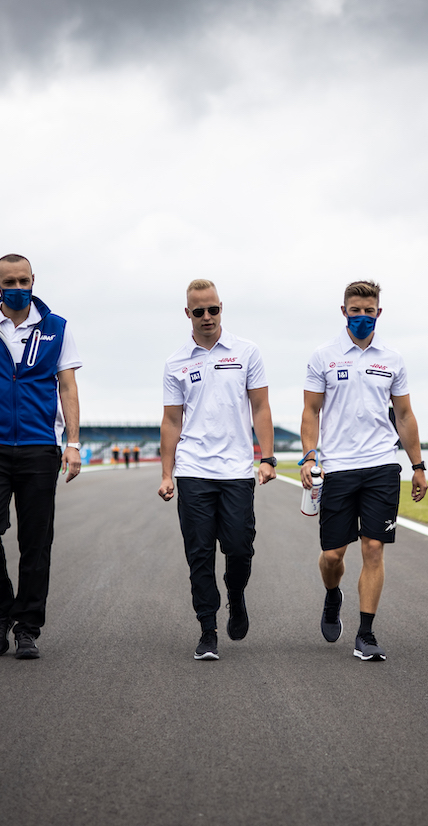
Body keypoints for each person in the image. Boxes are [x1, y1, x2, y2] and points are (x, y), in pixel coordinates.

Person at [0, 254, 82, 660]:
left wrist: (72, 443)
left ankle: (28, 626)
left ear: (34, 280)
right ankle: (0, 612)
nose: (18, 287)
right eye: (10, 281)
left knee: (36, 541)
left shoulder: (57, 327)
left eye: (24, 280)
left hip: (41, 447)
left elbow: (68, 388)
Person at [300, 280, 427, 662]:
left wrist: (417, 465)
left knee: (373, 548)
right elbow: (311, 412)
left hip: (381, 465)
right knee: (333, 555)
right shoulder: (323, 356)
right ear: (344, 312)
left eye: (368, 311)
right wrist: (309, 456)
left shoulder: (392, 358)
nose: (361, 317)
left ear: (378, 313)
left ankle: (366, 634)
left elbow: (403, 415)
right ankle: (332, 594)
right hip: (337, 468)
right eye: (354, 311)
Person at [158, 279, 276, 660]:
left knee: (240, 548)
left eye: (213, 310)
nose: (207, 317)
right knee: (199, 552)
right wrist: (166, 473)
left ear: (221, 308)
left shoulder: (247, 352)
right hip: (193, 469)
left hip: (237, 471)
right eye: (199, 311)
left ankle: (236, 594)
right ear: (187, 314)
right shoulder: (176, 362)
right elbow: (171, 421)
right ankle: (207, 629)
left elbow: (260, 407)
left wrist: (268, 457)